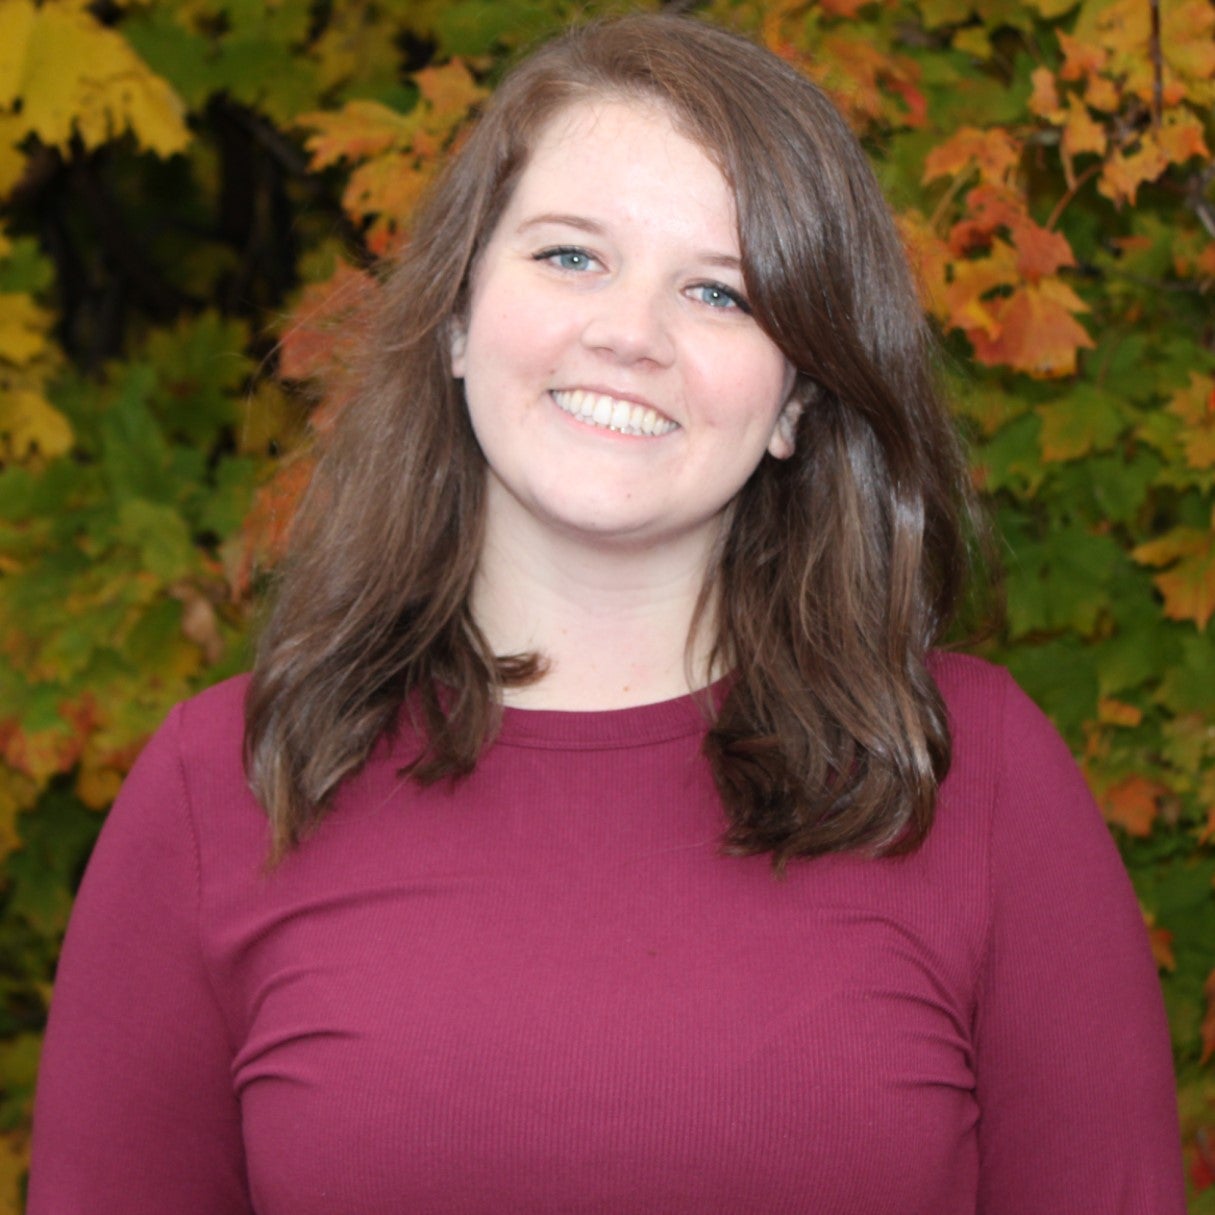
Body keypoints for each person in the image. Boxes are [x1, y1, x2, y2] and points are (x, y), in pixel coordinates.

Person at [29, 12, 1184, 1214]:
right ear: (462, 319)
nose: (630, 334)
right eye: (571, 256)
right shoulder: (225, 789)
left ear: (797, 399)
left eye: (720, 293)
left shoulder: (968, 779)